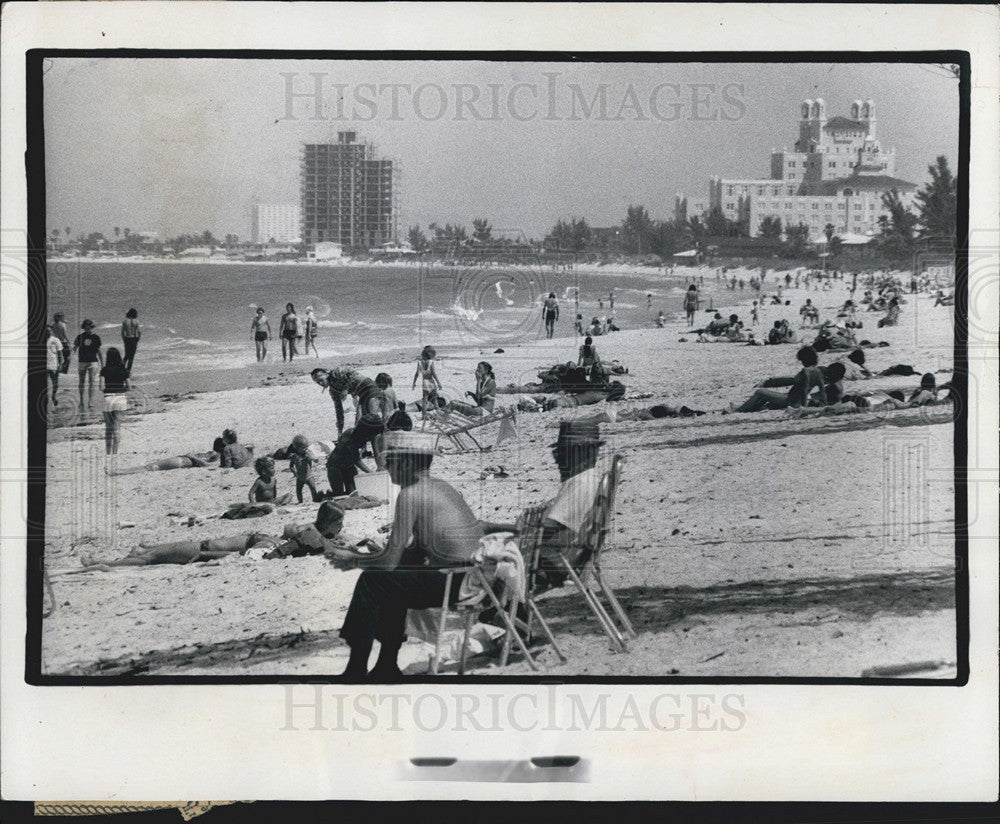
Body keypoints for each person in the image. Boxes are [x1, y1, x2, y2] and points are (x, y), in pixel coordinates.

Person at [327, 431, 487, 680]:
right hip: (476, 577)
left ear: (408, 463)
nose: (387, 468)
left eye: (391, 462)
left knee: (372, 581)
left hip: (454, 583)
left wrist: (355, 559)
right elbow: (418, 548)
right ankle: (385, 665)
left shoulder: (410, 495)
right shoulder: (442, 486)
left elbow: (390, 560)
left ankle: (357, 666)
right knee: (394, 580)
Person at [81, 501, 347, 568]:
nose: (342, 528)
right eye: (340, 523)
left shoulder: (312, 529)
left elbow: (290, 533)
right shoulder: (318, 538)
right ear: (331, 524)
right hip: (260, 547)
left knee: (201, 543)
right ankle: (109, 564)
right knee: (191, 552)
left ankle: (146, 547)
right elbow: (288, 549)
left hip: (257, 538)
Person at [515, 421, 609, 591]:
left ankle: (498, 613)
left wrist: (501, 529)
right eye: (556, 453)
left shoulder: (580, 483)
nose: (557, 460)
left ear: (585, 452)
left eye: (562, 453)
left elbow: (549, 527)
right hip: (570, 557)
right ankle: (501, 613)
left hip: (552, 563)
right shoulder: (591, 479)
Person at [314, 366, 388, 466]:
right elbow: (339, 410)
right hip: (362, 395)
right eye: (317, 382)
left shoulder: (336, 372)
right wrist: (339, 431)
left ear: (326, 374)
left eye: (321, 380)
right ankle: (368, 452)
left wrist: (345, 389)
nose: (320, 383)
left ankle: (382, 456)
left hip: (370, 388)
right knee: (361, 424)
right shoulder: (333, 391)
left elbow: (351, 373)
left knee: (372, 424)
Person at [732, 346, 826, 413]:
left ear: (805, 359)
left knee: (760, 393)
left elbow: (796, 384)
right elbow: (822, 390)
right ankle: (741, 408)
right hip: (796, 401)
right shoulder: (818, 371)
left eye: (801, 360)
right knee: (765, 402)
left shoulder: (805, 371)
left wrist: (804, 408)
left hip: (790, 400)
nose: (801, 363)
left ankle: (738, 410)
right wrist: (825, 405)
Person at [99, 346, 130, 455]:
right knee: (117, 428)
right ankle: (115, 454)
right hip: (120, 398)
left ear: (107, 358)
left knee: (108, 429)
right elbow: (129, 387)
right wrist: (121, 389)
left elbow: (101, 387)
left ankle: (108, 453)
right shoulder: (123, 370)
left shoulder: (104, 370)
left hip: (108, 398)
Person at [326, 427, 372, 496]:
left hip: (349, 466)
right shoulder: (352, 435)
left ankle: (331, 493)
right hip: (335, 467)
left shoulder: (362, 436)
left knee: (353, 493)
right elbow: (356, 459)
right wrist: (369, 471)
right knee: (339, 495)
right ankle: (326, 495)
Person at [72, 319, 103, 413]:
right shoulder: (80, 337)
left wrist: (103, 363)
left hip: (93, 362)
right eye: (86, 327)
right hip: (82, 362)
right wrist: (70, 357)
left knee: (92, 381)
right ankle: (81, 400)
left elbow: (99, 351)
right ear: (84, 327)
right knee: (81, 382)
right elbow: (75, 348)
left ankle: (90, 401)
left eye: (89, 327)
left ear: (92, 327)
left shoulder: (96, 337)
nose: (87, 329)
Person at [289, 433, 323, 502]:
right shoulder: (294, 457)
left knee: (313, 488)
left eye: (306, 447)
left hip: (309, 476)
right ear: (296, 448)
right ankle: (300, 502)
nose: (305, 449)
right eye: (303, 448)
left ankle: (315, 499)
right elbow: (291, 466)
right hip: (300, 477)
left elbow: (316, 460)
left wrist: (311, 457)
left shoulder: (307, 455)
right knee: (298, 490)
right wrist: (294, 472)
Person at [412, 345, 442, 416]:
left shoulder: (419, 362)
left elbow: (416, 373)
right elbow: (434, 373)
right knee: (435, 399)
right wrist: (438, 382)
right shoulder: (431, 362)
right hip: (431, 381)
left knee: (425, 401)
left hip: (425, 382)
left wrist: (414, 383)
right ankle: (438, 412)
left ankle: (423, 415)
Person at [45, 325, 63, 410]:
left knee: (55, 384)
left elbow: (60, 353)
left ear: (51, 331)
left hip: (54, 365)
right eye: (46, 331)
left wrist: (60, 364)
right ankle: (47, 401)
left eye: (49, 331)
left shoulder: (55, 340)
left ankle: (53, 396)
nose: (48, 332)